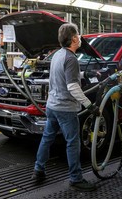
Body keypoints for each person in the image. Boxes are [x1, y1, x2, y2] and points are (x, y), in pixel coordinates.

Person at [32, 23, 100, 192]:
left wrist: (86, 74)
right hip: (65, 109)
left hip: (52, 106)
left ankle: (38, 170)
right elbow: (73, 87)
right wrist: (90, 105)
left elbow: (63, 75)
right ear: (74, 39)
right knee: (73, 143)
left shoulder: (57, 54)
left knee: (47, 138)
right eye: (79, 34)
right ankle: (76, 179)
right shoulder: (71, 59)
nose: (80, 37)